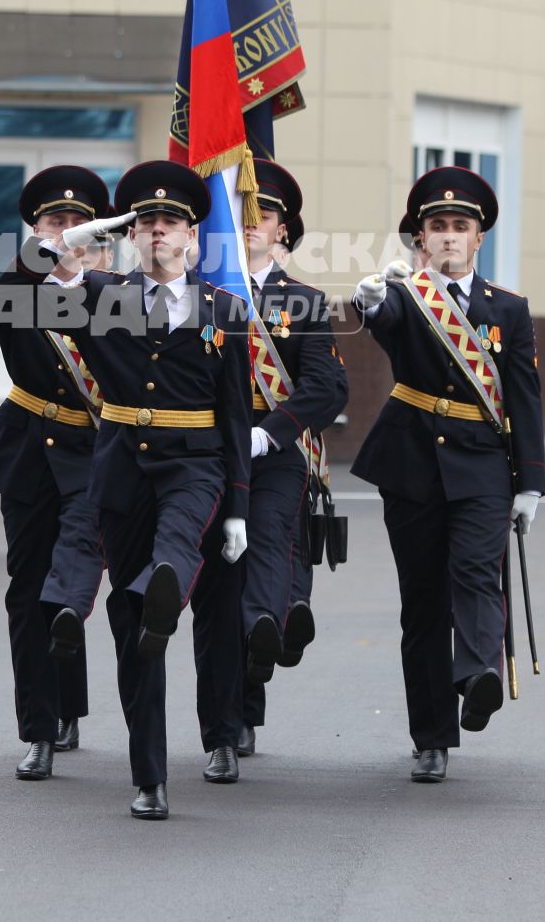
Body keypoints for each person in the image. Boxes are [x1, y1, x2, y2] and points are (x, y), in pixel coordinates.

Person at [0, 159, 253, 821]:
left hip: (194, 466)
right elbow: (7, 305)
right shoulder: (102, 299)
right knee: (131, 628)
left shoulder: (224, 310)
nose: (157, 231)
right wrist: (64, 243)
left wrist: (237, 507)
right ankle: (147, 776)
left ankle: (165, 582)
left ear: (191, 236)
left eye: (171, 221)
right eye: (145, 221)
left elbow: (236, 415)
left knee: (171, 558)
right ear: (128, 235)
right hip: (120, 467)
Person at [350, 166, 545, 786]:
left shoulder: (508, 309)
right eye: (438, 227)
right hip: (411, 462)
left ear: (478, 237)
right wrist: (372, 303)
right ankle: (431, 737)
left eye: (461, 226)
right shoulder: (405, 296)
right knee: (425, 603)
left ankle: (479, 674)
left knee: (476, 574)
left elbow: (524, 395)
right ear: (420, 239)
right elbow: (385, 327)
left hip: (483, 464)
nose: (450, 237)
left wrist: (531, 483)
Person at [0, 165, 108, 781]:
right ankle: (42, 727)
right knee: (29, 589)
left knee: (67, 584)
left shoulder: (119, 292)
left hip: (96, 454)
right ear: (36, 229)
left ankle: (65, 703)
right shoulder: (22, 290)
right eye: (54, 221)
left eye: (77, 223)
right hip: (28, 449)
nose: (66, 231)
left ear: (97, 237)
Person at [231, 164, 347, 762]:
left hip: (274, 454)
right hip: (205, 449)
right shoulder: (202, 291)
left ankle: (246, 704)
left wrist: (269, 433)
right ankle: (267, 630)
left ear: (283, 231)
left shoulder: (302, 301)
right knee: (220, 583)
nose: (252, 224)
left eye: (265, 216)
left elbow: (328, 389)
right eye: (243, 213)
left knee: (267, 547)